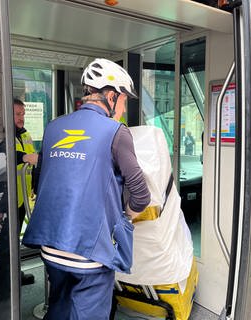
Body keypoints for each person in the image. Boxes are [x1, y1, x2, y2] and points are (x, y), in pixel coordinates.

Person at [22, 58, 151, 320]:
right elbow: (141, 194)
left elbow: (40, 179)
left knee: (59, 309)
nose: (124, 108)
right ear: (112, 95)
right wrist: (126, 217)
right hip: (89, 254)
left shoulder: (53, 127)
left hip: (51, 247)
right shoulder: (116, 131)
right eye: (124, 99)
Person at [0, 98, 38, 301]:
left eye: (23, 113)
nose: (21, 117)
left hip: (24, 199)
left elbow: (31, 166)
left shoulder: (25, 135)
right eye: (17, 113)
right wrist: (25, 158)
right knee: (4, 248)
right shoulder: (5, 138)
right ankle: (0, 290)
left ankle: (16, 277)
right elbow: (7, 157)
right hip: (13, 200)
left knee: (14, 244)